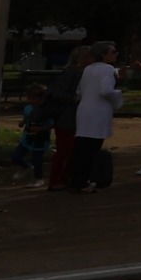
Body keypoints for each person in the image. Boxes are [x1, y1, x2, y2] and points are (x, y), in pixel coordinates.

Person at [68, 41, 122, 192]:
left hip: (84, 109)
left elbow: (79, 91)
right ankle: (83, 181)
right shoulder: (108, 69)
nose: (115, 54)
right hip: (98, 111)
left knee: (81, 147)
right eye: (113, 51)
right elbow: (106, 90)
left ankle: (76, 180)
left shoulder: (88, 69)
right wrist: (118, 96)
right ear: (103, 54)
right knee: (92, 148)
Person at [44, 43, 88, 189]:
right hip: (66, 115)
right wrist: (75, 99)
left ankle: (64, 177)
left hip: (73, 115)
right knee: (64, 149)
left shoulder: (79, 73)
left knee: (72, 149)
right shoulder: (70, 73)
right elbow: (58, 94)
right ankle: (56, 179)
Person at [12, 82, 54, 180]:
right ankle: (26, 166)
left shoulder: (46, 110)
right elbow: (26, 118)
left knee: (37, 159)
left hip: (40, 139)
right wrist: (22, 122)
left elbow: (52, 124)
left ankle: (38, 179)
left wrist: (40, 129)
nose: (31, 101)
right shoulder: (27, 108)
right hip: (27, 137)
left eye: (34, 99)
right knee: (16, 157)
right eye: (29, 98)